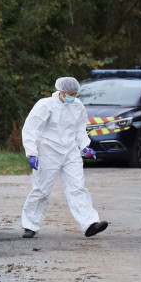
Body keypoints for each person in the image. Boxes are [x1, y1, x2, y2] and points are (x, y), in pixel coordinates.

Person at [20, 76, 109, 239]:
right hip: (48, 151)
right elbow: (31, 129)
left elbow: (80, 129)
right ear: (60, 91)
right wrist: (32, 152)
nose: (72, 97)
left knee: (77, 187)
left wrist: (85, 147)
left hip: (70, 152)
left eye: (75, 94)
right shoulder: (45, 105)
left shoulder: (78, 106)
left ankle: (89, 223)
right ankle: (30, 225)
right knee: (41, 189)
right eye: (69, 94)